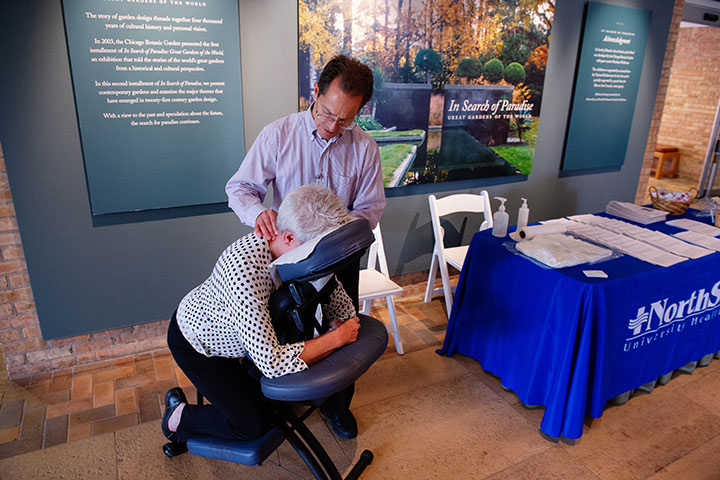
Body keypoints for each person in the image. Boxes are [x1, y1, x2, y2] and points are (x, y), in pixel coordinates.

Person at [225, 54, 386, 438]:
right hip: (289, 257)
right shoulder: (278, 135)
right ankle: (286, 400)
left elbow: (371, 208)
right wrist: (258, 214)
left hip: (339, 258)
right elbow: (239, 188)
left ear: (360, 110)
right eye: (327, 113)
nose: (333, 127)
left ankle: (336, 405)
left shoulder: (365, 148)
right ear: (315, 93)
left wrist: (339, 233)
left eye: (345, 119)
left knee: (342, 327)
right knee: (286, 328)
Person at [162, 184, 362, 445]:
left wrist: (340, 322)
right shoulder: (244, 272)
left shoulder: (305, 250)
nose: (321, 261)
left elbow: (341, 308)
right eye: (317, 252)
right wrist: (336, 339)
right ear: (289, 238)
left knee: (275, 407)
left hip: (247, 340)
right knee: (254, 425)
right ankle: (178, 417)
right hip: (198, 342)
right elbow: (272, 362)